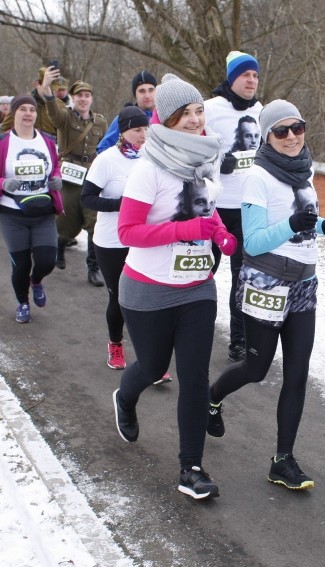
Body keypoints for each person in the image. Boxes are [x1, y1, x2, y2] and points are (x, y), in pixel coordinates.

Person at [206, 99, 325, 491]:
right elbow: (254, 240)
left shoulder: (306, 171)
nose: (291, 137)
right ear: (267, 136)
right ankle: (212, 398)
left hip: (304, 283)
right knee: (257, 368)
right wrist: (292, 225)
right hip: (266, 281)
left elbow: (303, 219)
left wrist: (322, 226)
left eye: (297, 127)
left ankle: (283, 460)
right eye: (281, 131)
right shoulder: (259, 178)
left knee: (298, 372)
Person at [112, 73, 236, 501]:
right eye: (185, 113)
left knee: (195, 377)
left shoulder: (206, 159)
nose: (195, 119)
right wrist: (187, 227)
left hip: (197, 286)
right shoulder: (149, 169)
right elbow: (128, 232)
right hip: (148, 288)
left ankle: (191, 468)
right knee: (151, 367)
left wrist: (218, 232)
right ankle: (126, 399)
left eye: (199, 110)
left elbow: (207, 208)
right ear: (166, 118)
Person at [80, 105, 171, 385]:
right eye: (137, 129)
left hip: (143, 238)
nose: (143, 135)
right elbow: (87, 198)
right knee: (120, 298)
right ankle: (115, 344)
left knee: (147, 298)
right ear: (123, 131)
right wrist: (123, 205)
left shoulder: (153, 159)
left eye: (146, 129)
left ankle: (151, 361)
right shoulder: (106, 160)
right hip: (111, 241)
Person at [0, 94, 65, 323]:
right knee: (21, 264)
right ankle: (23, 303)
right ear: (13, 113)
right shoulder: (1, 143)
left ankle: (36, 281)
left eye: (32, 110)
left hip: (42, 210)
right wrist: (2, 183)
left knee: (46, 260)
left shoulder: (47, 141)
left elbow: (54, 168)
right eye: (23, 109)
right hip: (12, 213)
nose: (28, 114)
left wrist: (57, 179)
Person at [205, 50, 263, 362]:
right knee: (203, 271)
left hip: (248, 207)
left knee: (243, 276)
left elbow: (268, 151)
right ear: (232, 79)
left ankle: (239, 340)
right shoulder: (211, 109)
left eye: (255, 75)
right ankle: (189, 327)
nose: (251, 80)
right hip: (213, 207)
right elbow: (193, 143)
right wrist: (218, 162)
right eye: (245, 75)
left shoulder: (262, 110)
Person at [39, 67, 108, 287]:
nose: (83, 99)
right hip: (69, 175)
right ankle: (60, 245)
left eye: (87, 96)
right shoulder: (65, 118)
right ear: (73, 98)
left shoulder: (100, 122)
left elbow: (105, 146)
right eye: (79, 95)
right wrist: (47, 88)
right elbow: (52, 112)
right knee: (67, 221)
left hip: (92, 174)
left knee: (93, 221)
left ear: (92, 99)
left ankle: (93, 268)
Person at [96, 70, 157, 154]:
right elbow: (103, 149)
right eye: (142, 91)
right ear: (135, 94)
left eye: (151, 90)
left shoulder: (165, 118)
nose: (147, 95)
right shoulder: (124, 119)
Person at [0, 67, 59, 137]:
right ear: (37, 84)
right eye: (46, 87)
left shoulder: (59, 105)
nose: (49, 91)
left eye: (53, 89)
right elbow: (4, 129)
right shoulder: (22, 102)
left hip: (52, 144)